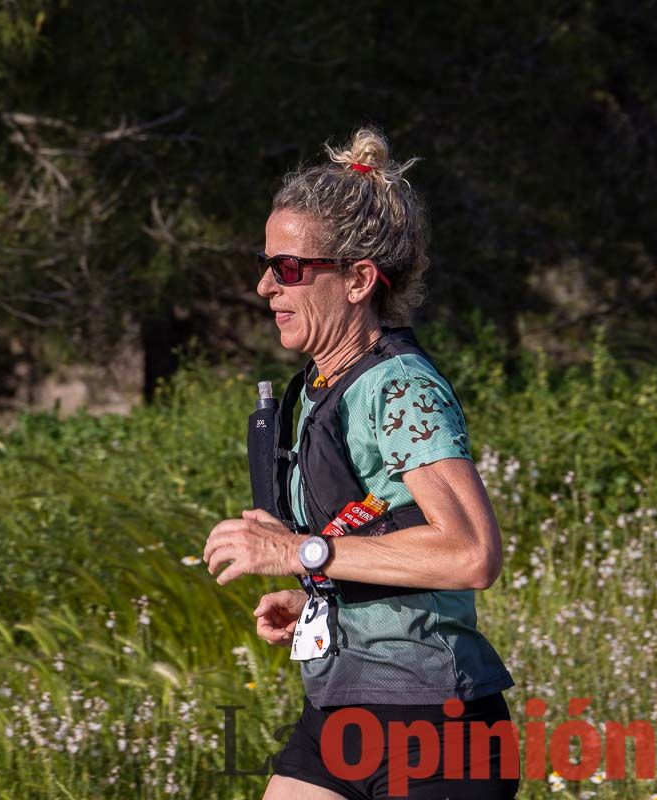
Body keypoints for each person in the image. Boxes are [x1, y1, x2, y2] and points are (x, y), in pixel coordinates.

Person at [203, 127, 518, 799]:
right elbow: (372, 527)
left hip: (436, 730)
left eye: (288, 268)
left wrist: (303, 554)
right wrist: (318, 597)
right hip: (343, 711)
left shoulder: (400, 387)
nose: (265, 286)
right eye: (266, 265)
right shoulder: (326, 388)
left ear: (358, 280)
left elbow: (470, 554)